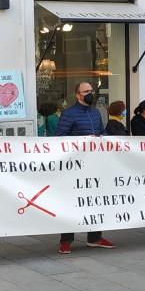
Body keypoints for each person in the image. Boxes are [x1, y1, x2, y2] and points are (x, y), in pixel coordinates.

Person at [54, 82, 116, 253]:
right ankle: (66, 240)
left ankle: (95, 237)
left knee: (95, 201)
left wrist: (103, 138)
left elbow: (103, 132)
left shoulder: (96, 112)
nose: (90, 93)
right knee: (70, 202)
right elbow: (59, 137)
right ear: (78, 95)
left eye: (91, 90)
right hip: (75, 166)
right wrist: (82, 141)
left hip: (94, 165)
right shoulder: (68, 114)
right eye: (86, 91)